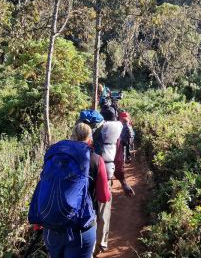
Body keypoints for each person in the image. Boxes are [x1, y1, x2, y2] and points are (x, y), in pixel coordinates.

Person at [28, 124, 97, 258]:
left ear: (72, 136)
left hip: (51, 229)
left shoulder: (56, 157)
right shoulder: (95, 160)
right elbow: (104, 196)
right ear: (90, 139)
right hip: (80, 230)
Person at [94, 109, 135, 255]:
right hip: (106, 175)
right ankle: (101, 243)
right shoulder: (116, 134)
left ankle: (88, 244)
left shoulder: (94, 132)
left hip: (89, 177)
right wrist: (123, 182)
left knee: (89, 210)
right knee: (104, 210)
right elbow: (118, 161)